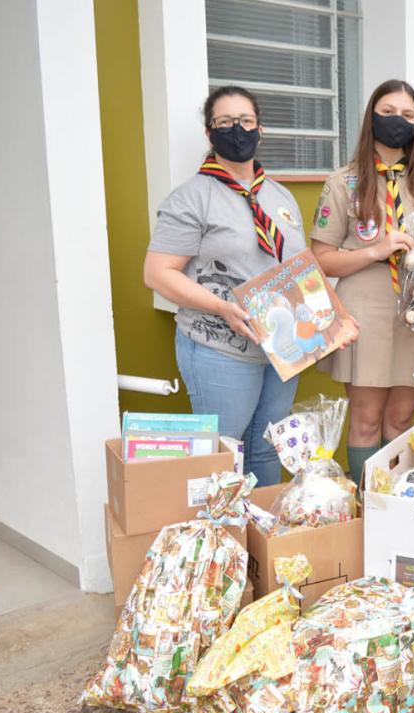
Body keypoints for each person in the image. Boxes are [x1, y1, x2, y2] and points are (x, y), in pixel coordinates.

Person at [143, 85, 309, 487]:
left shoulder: (279, 195)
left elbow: (299, 269)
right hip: (220, 349)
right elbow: (158, 272)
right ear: (209, 133)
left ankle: (260, 546)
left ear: (260, 129)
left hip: (281, 351)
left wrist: (327, 322)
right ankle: (221, 545)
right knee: (223, 454)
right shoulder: (191, 199)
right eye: (226, 122)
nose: (238, 129)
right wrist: (222, 308)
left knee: (267, 448)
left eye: (246, 121)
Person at [310, 79, 414, 484]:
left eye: (407, 115)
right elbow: (321, 259)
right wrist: (375, 251)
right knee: (366, 418)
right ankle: (365, 508)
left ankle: (397, 507)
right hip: (366, 310)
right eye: (388, 112)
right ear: (371, 117)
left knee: (402, 415)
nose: (398, 121)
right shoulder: (344, 183)